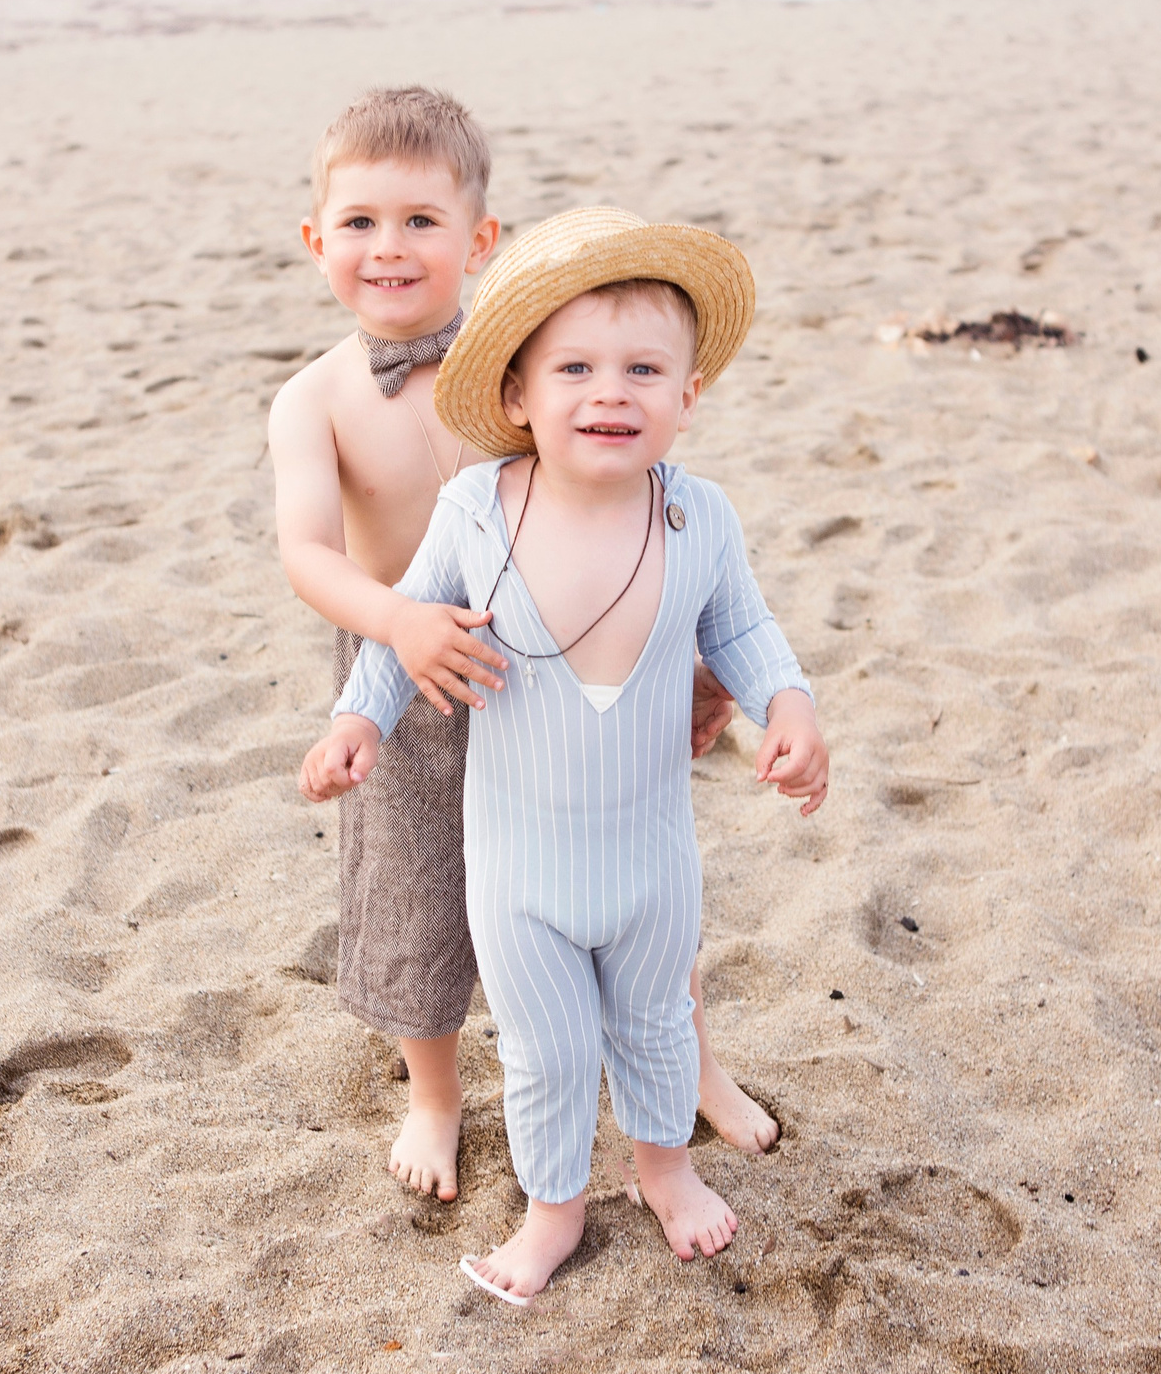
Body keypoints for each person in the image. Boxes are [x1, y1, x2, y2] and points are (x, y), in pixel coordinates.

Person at [300, 207, 829, 1303]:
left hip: (650, 860)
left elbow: (744, 629)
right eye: (574, 368)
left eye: (645, 369)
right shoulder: (475, 510)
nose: (610, 393)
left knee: (652, 1021)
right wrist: (357, 720)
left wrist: (790, 704)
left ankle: (663, 1172)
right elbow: (405, 625)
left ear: (689, 396)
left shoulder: (700, 518)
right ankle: (553, 1213)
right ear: (517, 397)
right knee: (542, 1054)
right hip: (519, 870)